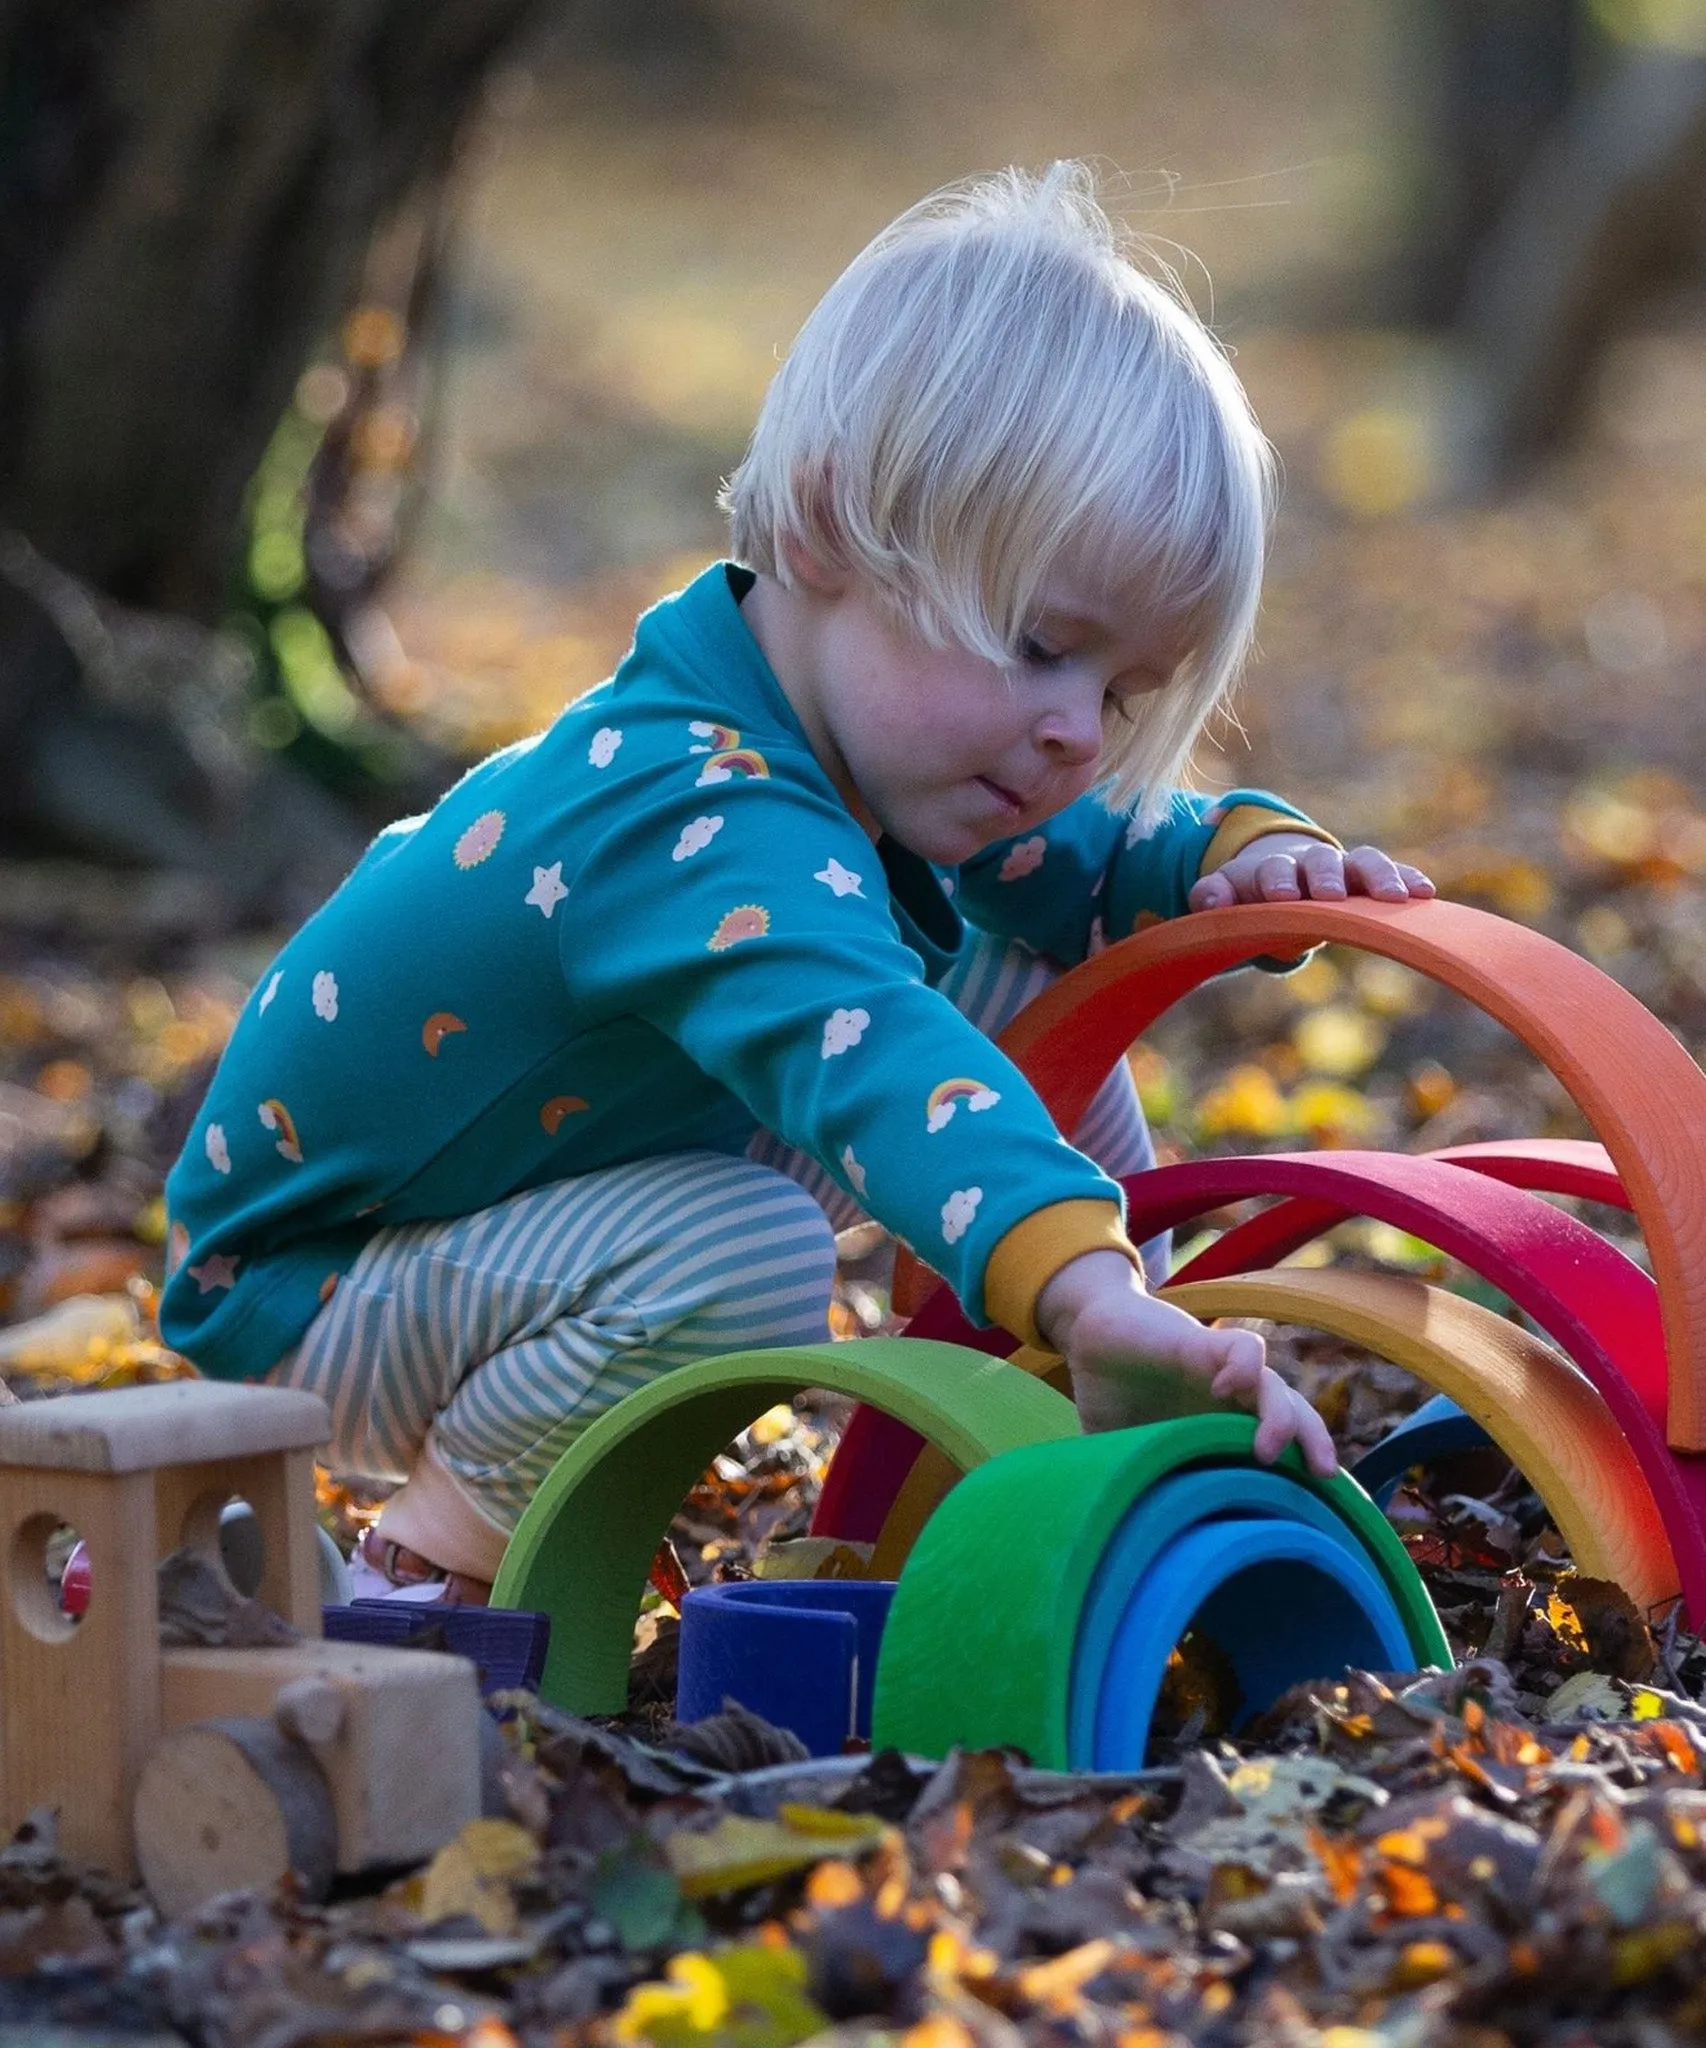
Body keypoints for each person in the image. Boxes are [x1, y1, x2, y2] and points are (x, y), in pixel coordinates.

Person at [160, 163, 1432, 1603]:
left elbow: (1085, 869)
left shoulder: (892, 753)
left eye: (1125, 689)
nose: (1080, 727)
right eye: (1036, 644)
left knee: (1020, 962)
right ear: (829, 531)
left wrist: (1235, 855)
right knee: (755, 1238)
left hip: (541, 1199)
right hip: (317, 1283)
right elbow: (874, 1055)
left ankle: (1105, 1350)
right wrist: (1078, 1279)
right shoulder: (690, 808)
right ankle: (426, 1570)